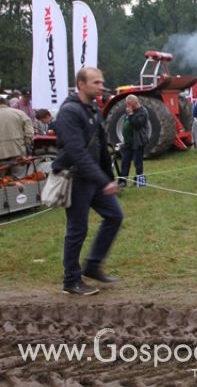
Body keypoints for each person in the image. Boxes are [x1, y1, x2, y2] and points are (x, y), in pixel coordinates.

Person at [52, 67, 123, 296]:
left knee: (114, 215)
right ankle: (71, 280)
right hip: (76, 178)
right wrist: (103, 180)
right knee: (77, 229)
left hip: (94, 179)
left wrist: (110, 178)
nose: (101, 86)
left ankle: (92, 265)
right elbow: (77, 153)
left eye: (102, 82)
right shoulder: (70, 112)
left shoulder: (94, 108)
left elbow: (101, 147)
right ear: (81, 85)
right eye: (96, 82)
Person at [118, 95, 149, 188]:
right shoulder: (128, 111)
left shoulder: (143, 112)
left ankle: (138, 181)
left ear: (135, 103)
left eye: (129, 103)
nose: (127, 105)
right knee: (125, 162)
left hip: (137, 141)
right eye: (126, 103)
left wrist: (131, 114)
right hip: (127, 142)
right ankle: (122, 181)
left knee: (137, 163)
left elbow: (138, 124)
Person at [0, 95, 34, 178]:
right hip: (17, 149)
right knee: (19, 178)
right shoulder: (19, 113)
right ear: (7, 103)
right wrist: (26, 143)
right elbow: (29, 132)